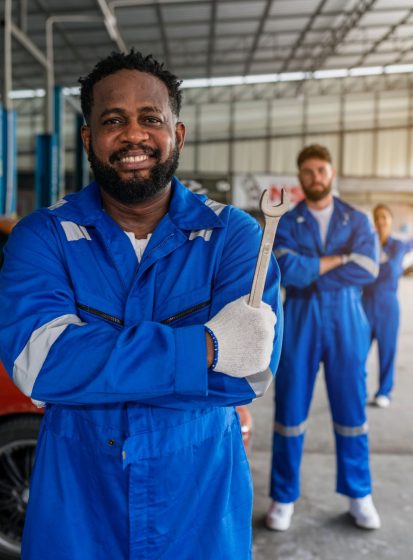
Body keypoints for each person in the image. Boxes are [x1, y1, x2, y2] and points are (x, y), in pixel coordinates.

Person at [0, 50, 283, 560]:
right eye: (113, 120)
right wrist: (208, 347)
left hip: (198, 501)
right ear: (89, 140)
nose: (133, 135)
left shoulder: (234, 237)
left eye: (150, 118)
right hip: (77, 503)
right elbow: (38, 364)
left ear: (177, 134)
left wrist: (91, 366)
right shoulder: (42, 237)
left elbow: (248, 374)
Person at [266, 144, 381, 532]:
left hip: (346, 317)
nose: (315, 176)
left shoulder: (357, 219)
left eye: (321, 169)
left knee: (352, 411)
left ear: (332, 173)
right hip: (300, 316)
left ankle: (358, 493)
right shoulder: (287, 220)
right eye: (308, 171)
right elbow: (286, 269)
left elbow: (367, 268)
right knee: (290, 409)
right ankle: (283, 497)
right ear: (300, 178)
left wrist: (313, 269)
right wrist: (339, 260)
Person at [363, 204, 413, 408]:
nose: (381, 220)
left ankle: (384, 392)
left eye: (385, 217)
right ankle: (357, 390)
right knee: (356, 351)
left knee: (387, 351)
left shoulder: (399, 247)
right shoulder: (366, 246)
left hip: (388, 306)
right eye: (378, 217)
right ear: (374, 222)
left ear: (391, 220)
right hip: (364, 304)